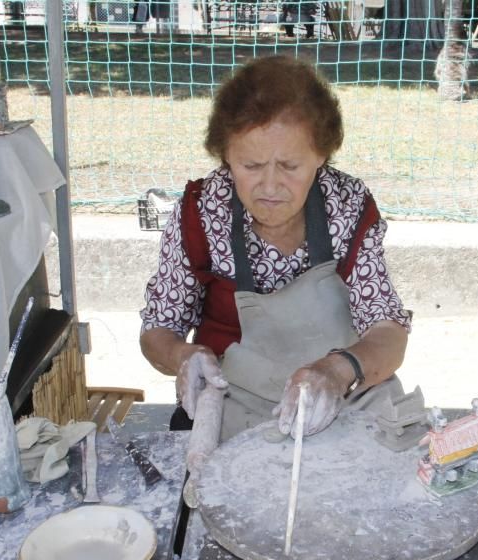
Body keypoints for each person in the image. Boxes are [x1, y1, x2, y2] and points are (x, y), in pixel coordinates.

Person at [139, 55, 412, 442]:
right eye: (251, 165)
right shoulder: (201, 211)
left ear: (320, 156)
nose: (270, 186)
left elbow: (388, 332)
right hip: (231, 402)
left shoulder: (348, 206)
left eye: (289, 166)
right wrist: (183, 357)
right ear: (227, 158)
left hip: (341, 398)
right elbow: (158, 330)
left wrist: (336, 371)